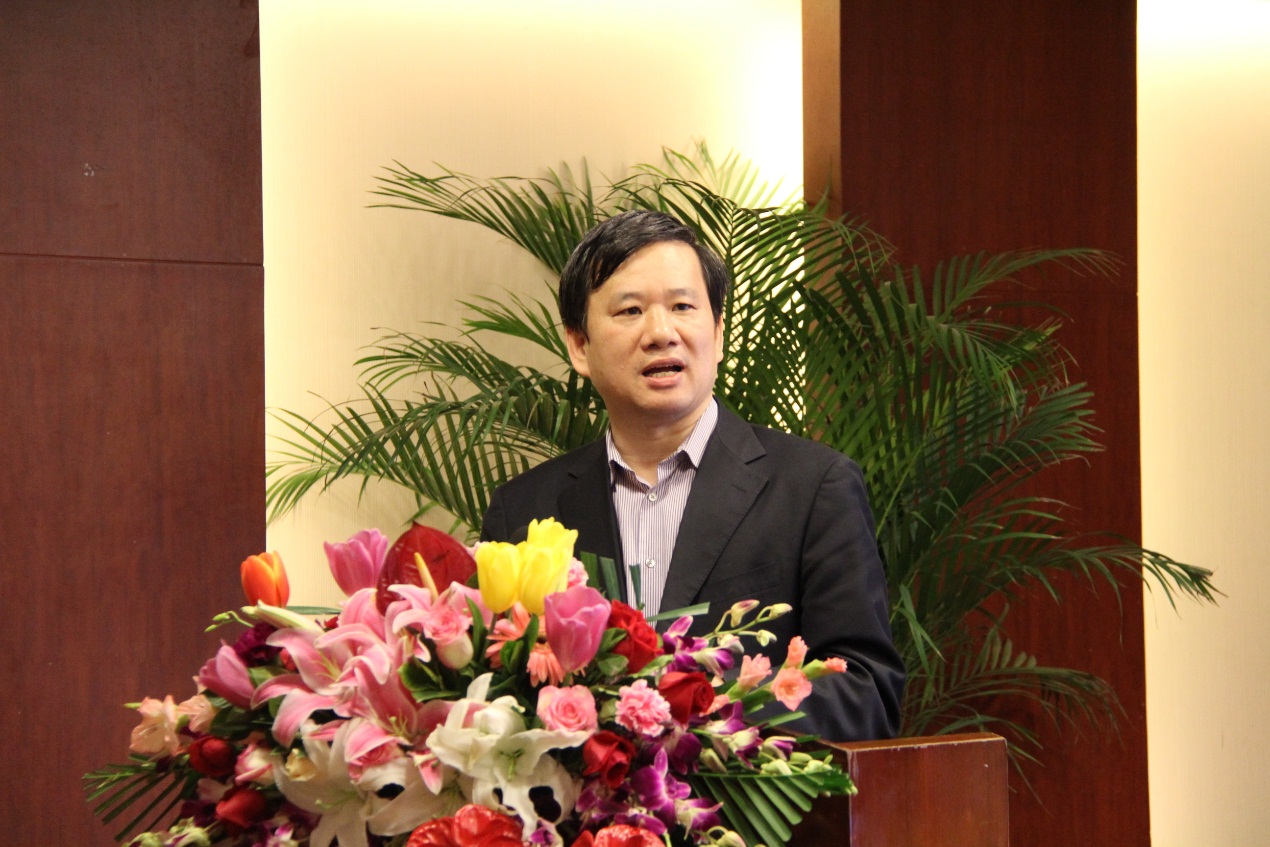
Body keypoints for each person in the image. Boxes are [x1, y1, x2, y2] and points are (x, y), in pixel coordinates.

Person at [481, 209, 905, 741]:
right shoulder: (524, 510)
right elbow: (494, 691)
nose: (662, 333)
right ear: (579, 347)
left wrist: (702, 707)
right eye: (630, 310)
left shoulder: (814, 488)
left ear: (719, 332)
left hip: (744, 794)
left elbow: (868, 695)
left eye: (683, 306)